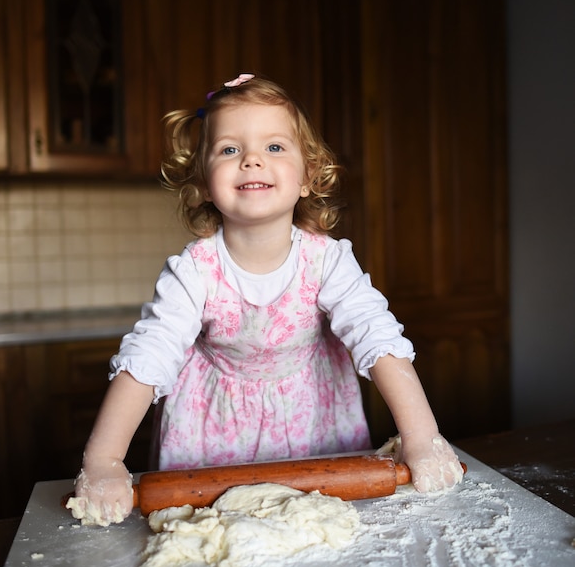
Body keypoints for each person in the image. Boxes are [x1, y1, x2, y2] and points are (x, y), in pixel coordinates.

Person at [71, 74, 464, 525]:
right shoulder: (193, 271)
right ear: (203, 182)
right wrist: (103, 461)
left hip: (314, 424)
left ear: (307, 177)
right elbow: (149, 356)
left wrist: (422, 437)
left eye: (274, 147)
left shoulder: (328, 261)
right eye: (230, 149)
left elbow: (378, 336)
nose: (252, 160)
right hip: (211, 435)